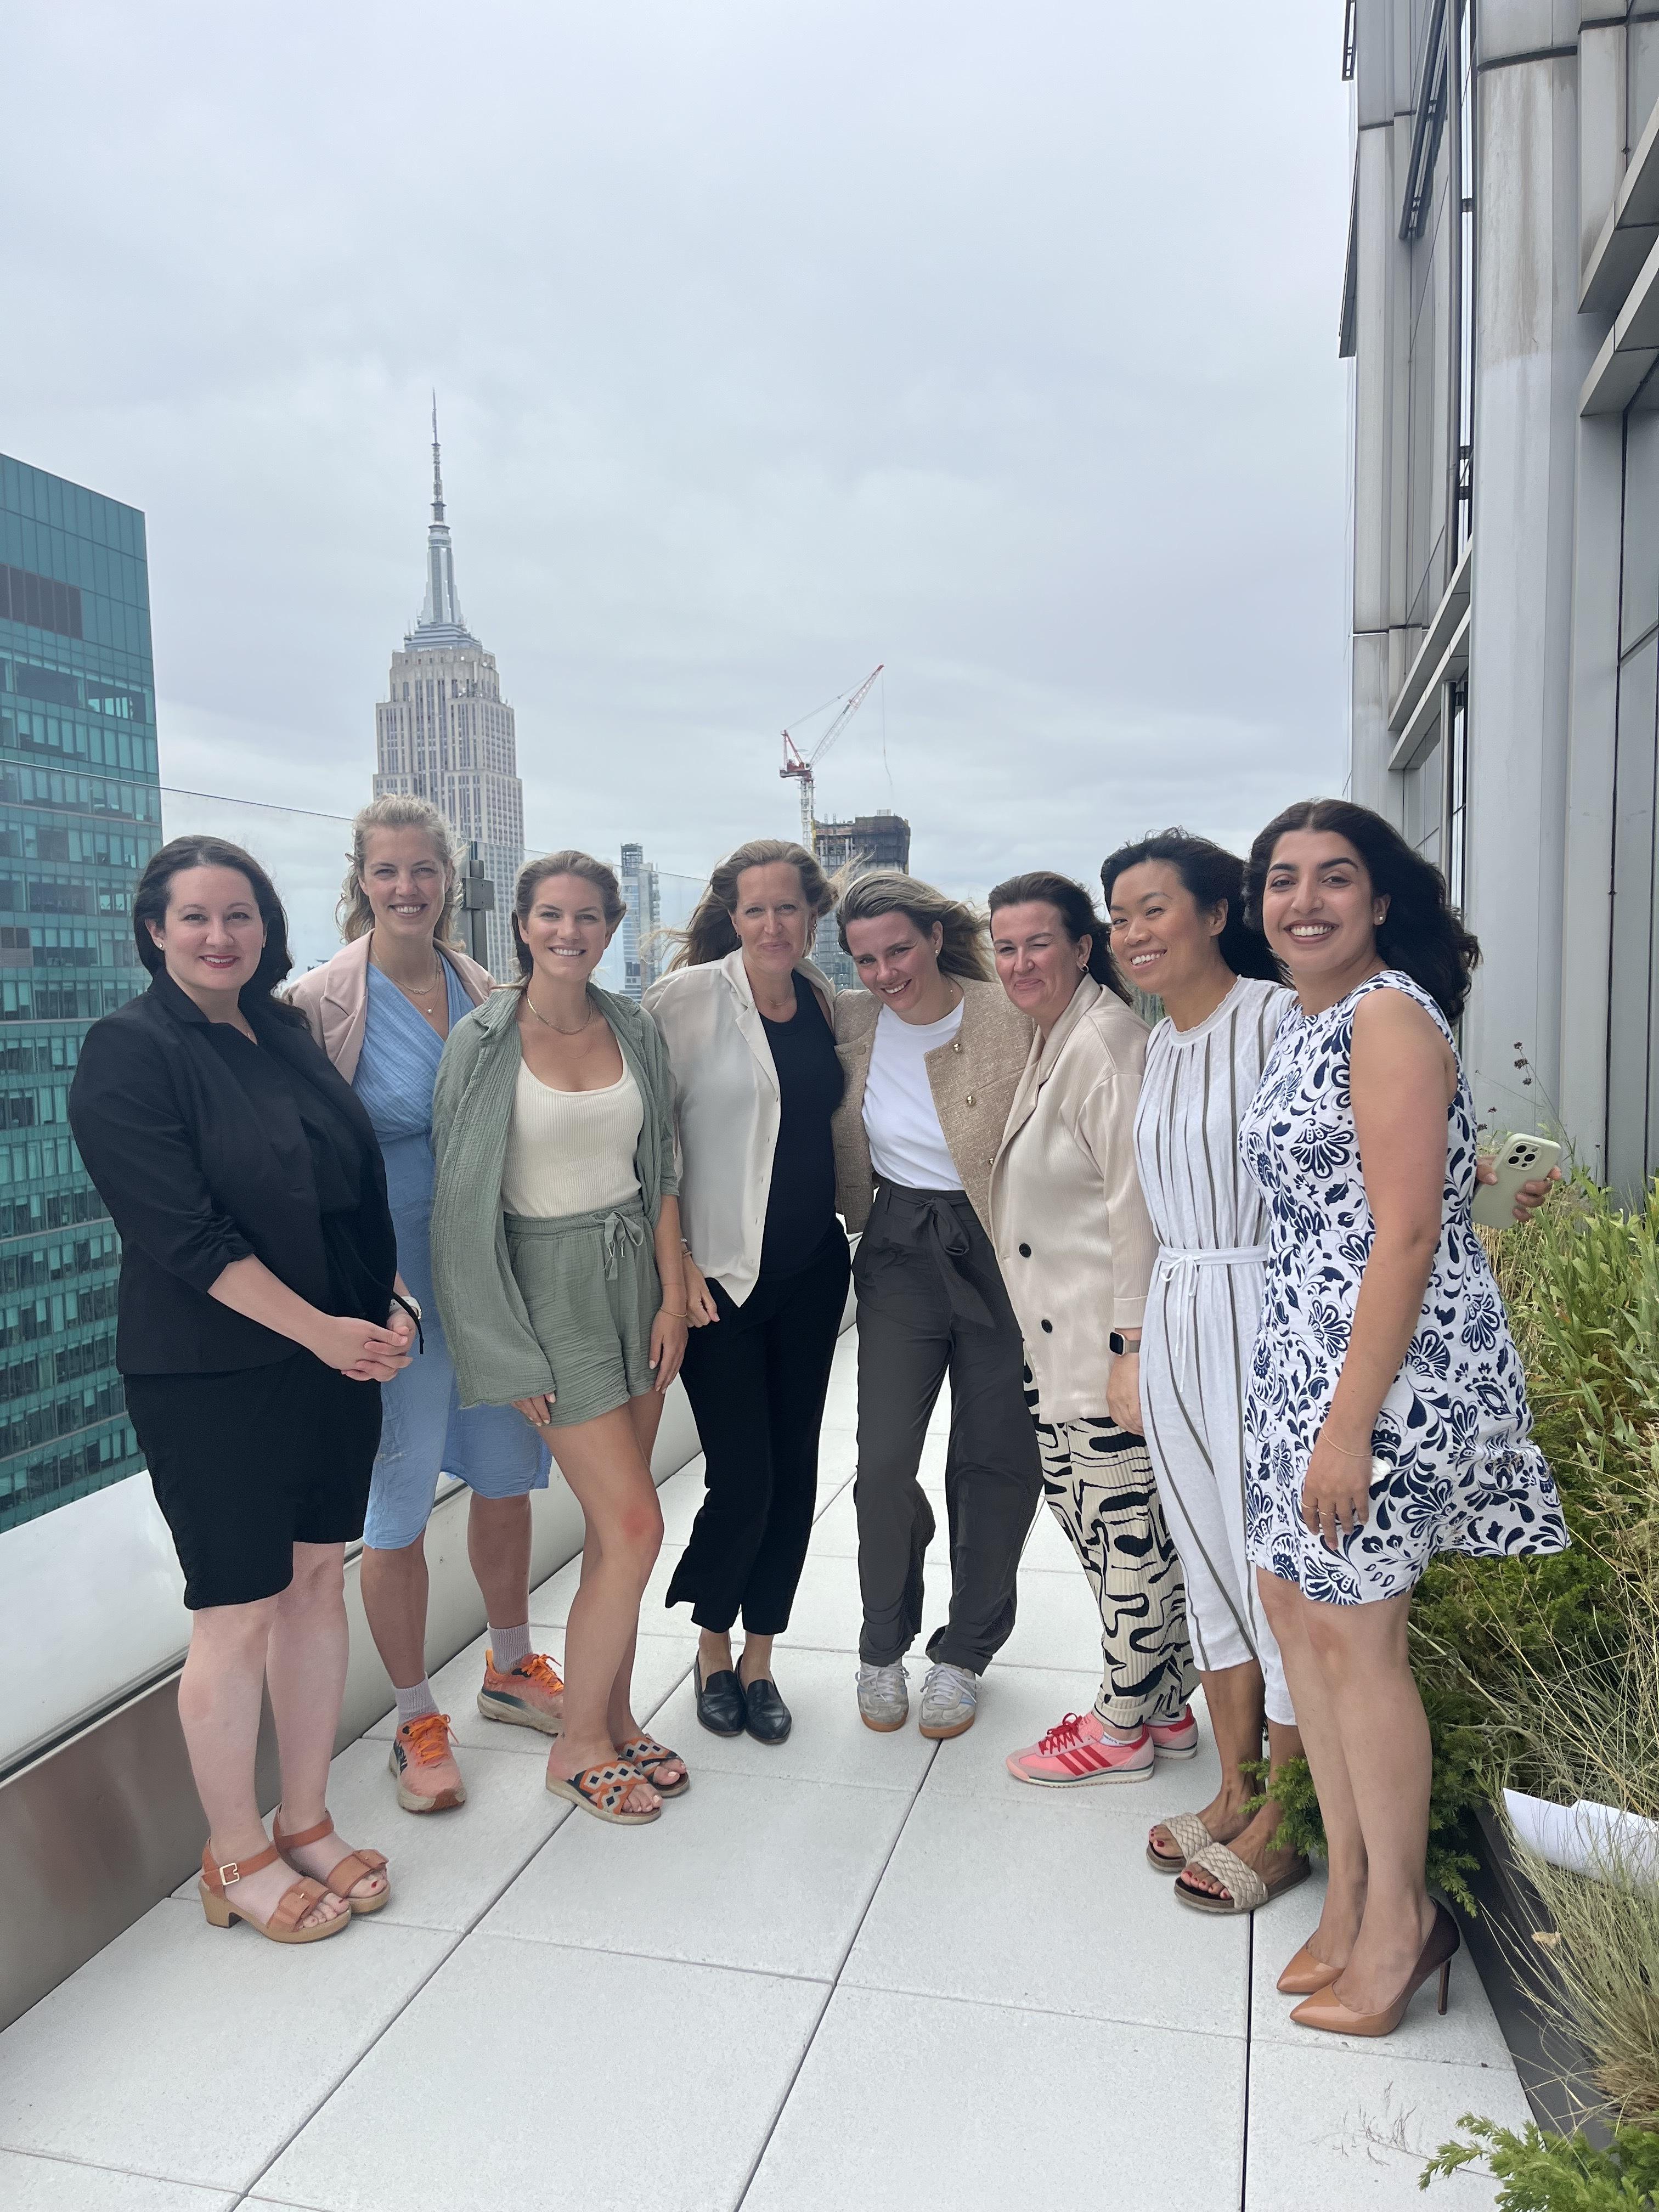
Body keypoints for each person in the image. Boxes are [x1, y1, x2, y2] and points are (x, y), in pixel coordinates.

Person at [1239, 798, 1568, 2036]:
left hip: (1380, 1380)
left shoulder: (1384, 1015)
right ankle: (1351, 1895)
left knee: (1357, 1638)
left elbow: (1409, 1232)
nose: (1305, 900)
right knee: (1299, 1616)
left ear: (1380, 901)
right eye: (1283, 879)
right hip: (1306, 1361)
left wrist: (1347, 1427)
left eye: (1335, 877)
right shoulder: (1309, 1021)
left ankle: (1402, 1921)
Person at [68, 837, 411, 1944]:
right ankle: (233, 1851)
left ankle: (305, 1818)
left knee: (315, 1587)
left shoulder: (286, 1032)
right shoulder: (129, 1050)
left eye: (241, 915)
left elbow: (345, 1196)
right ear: (155, 931)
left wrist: (390, 1304)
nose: (221, 936)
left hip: (331, 1359)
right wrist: (325, 1334)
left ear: (268, 927)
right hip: (211, 1373)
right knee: (236, 1610)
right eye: (196, 917)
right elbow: (185, 1235)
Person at [288, 795, 560, 1819]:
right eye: (387, 871)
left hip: (487, 1283)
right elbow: (299, 1168)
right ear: (360, 880)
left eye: (424, 870)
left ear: (451, 879)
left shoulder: (481, 986)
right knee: (395, 1513)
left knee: (505, 1480)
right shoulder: (320, 1004)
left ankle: (511, 1666)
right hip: (387, 1291)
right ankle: (413, 1717)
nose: (406, 888)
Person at [430, 851, 690, 1825]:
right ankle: (575, 1748)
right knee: (636, 1524)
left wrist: (672, 1297)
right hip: (545, 1292)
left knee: (615, 1533)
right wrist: (503, 1346)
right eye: (549, 914)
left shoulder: (635, 1025)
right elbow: (461, 1209)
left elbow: (662, 1166)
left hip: (635, 1281)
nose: (568, 931)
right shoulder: (482, 1040)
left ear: (611, 928)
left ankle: (613, 1718)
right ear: (523, 925)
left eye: (587, 916)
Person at [1101, 832, 1310, 1916]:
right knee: (1205, 1555)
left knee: (1271, 1562)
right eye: (1120, 917)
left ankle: (1292, 1818)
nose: (1134, 932)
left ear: (1217, 914)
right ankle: (1238, 1787)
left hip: (1265, 1309)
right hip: (1181, 1309)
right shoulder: (1159, 1045)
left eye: (1154, 909)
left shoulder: (1279, 1019)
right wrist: (1135, 1349)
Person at [984, 873, 1198, 1787]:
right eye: (1005, 947)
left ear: (1082, 948)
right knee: (1102, 1528)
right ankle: (1168, 1705)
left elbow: (1137, 1213)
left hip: (1103, 1349)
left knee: (1126, 1540)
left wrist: (1130, 1352)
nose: (1019, 962)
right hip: (1061, 1343)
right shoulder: (1059, 1035)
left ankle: (1119, 1728)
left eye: (1038, 943)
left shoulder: (1108, 1046)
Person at [644, 839, 849, 1745]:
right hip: (716, 1283)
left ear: (813, 914)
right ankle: (711, 1643)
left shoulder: (823, 998)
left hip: (812, 1270)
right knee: (744, 1475)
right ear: (733, 917)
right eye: (756, 909)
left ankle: (761, 1657)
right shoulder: (683, 1001)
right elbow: (651, 1145)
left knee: (795, 1471)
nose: (773, 925)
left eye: (788, 908)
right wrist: (677, 1264)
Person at [832, 872, 1042, 1740]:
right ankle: (882, 1641)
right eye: (865, 959)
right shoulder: (850, 1022)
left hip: (1006, 1248)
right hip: (899, 1249)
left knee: (995, 1460)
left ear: (935, 937)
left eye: (899, 950)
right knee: (883, 1461)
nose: (885, 973)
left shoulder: (1012, 1014)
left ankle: (965, 1651)